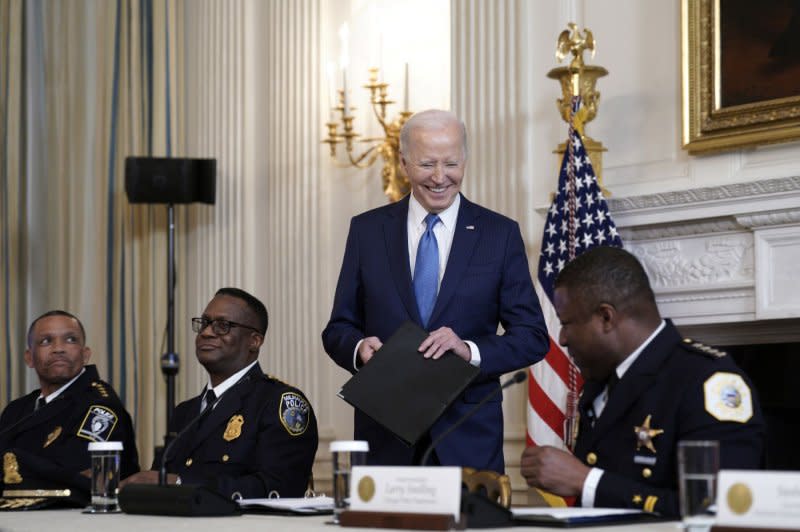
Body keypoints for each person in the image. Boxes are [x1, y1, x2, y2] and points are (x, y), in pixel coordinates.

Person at [322, 109, 549, 473]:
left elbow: (533, 337)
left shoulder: (499, 234)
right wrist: (359, 349)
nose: (440, 177)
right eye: (427, 164)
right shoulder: (367, 231)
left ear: (465, 161)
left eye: (452, 163)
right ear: (404, 164)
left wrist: (469, 349)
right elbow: (338, 329)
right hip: (386, 440)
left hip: (467, 442)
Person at [520, 246, 765, 517]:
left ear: (606, 317)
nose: (563, 339)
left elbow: (718, 510)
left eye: (567, 323)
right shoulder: (601, 380)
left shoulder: (707, 382)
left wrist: (586, 481)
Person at [123, 287, 318, 499]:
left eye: (222, 326)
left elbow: (282, 487)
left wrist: (181, 484)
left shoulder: (278, 403)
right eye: (204, 323)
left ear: (255, 341)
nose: (206, 332)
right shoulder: (184, 412)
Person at [0, 310, 140, 505]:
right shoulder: (16, 410)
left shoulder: (100, 405)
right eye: (46, 341)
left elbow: (79, 472)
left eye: (70, 339)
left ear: (86, 354)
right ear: (29, 358)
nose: (58, 348)